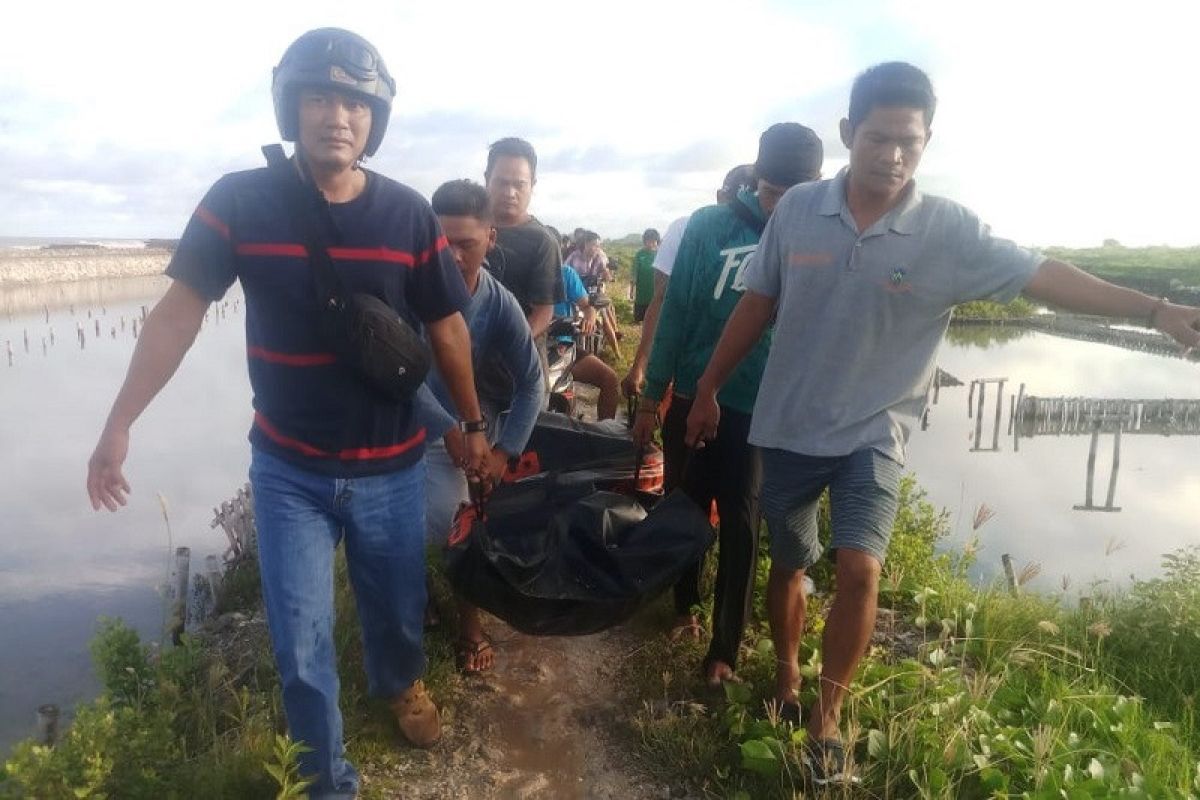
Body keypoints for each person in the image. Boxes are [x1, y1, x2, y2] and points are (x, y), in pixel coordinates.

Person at [686, 62, 1200, 784]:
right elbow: (755, 305)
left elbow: (1042, 274)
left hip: (875, 432)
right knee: (791, 565)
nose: (893, 155)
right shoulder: (797, 211)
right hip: (789, 425)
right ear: (847, 134)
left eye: (909, 141)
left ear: (926, 142)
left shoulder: (947, 231)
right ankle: (786, 678)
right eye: (878, 138)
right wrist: (707, 387)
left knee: (861, 566)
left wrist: (1150, 310)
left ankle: (827, 719)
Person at [85, 29, 489, 798]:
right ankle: (329, 781)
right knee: (300, 648)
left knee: (398, 615)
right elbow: (177, 313)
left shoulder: (407, 214)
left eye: (355, 102)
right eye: (319, 97)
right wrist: (120, 421)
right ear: (290, 106)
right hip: (287, 472)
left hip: (392, 469)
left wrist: (470, 425)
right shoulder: (241, 200)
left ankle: (398, 682)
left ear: (375, 119)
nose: (337, 115)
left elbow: (448, 329)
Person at [631, 124, 824, 690]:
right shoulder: (708, 228)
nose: (780, 207)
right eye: (771, 195)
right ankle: (684, 606)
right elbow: (674, 316)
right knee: (684, 504)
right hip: (693, 397)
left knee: (742, 522)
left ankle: (724, 649)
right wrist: (650, 397)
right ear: (755, 181)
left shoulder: (818, 239)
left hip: (761, 412)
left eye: (794, 197)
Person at [422, 179, 545, 673]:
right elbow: (398, 374)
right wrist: (446, 428)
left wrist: (502, 451)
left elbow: (532, 384)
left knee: (465, 522)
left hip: (476, 427)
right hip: (413, 424)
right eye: (441, 242)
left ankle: (469, 625)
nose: (452, 256)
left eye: (467, 244)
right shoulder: (409, 292)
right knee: (415, 531)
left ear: (491, 239)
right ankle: (424, 597)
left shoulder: (498, 304)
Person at [620, 164, 756, 398]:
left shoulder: (776, 234)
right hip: (695, 370)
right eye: (733, 210)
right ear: (719, 197)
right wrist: (642, 366)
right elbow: (663, 300)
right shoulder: (687, 228)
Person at [483, 137, 564, 340]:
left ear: (532, 184)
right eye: (501, 183)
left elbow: (543, 312)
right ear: (486, 178)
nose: (510, 193)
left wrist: (512, 346)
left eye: (519, 185)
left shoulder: (543, 242)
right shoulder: (469, 229)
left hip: (521, 358)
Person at [553, 262, 620, 419]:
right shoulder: (517, 271)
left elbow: (588, 307)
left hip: (563, 349)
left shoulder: (565, 274)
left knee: (610, 379)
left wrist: (589, 320)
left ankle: (602, 436)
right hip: (528, 350)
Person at [630, 228, 660, 323]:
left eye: (653, 241)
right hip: (642, 293)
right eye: (648, 241)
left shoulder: (660, 254)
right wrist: (631, 290)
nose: (651, 243)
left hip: (655, 291)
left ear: (657, 241)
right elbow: (634, 273)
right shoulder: (639, 254)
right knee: (640, 319)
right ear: (644, 241)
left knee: (655, 319)